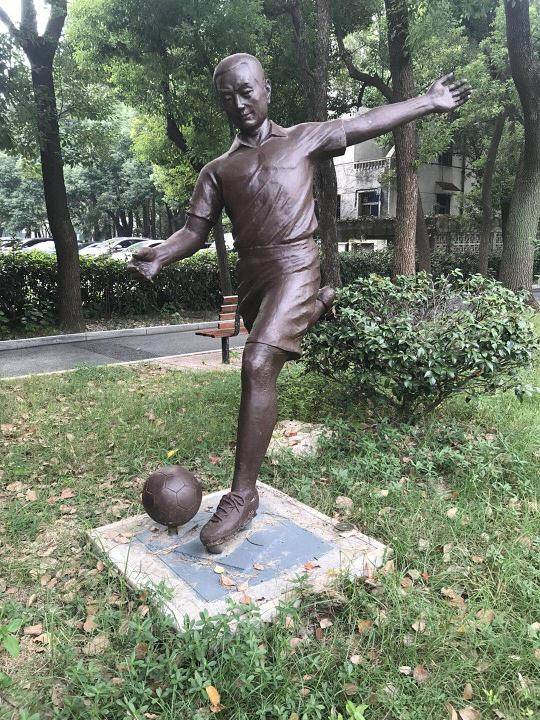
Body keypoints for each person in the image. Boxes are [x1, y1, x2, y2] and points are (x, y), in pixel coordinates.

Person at [129, 53, 471, 553]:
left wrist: (428, 101)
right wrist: (162, 253)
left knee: (258, 362)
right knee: (265, 351)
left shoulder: (303, 139)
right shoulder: (218, 171)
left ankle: (243, 495)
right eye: (228, 97)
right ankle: (317, 305)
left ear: (266, 89)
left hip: (296, 264)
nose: (239, 103)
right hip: (254, 277)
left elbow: (365, 122)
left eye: (246, 91)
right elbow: (194, 231)